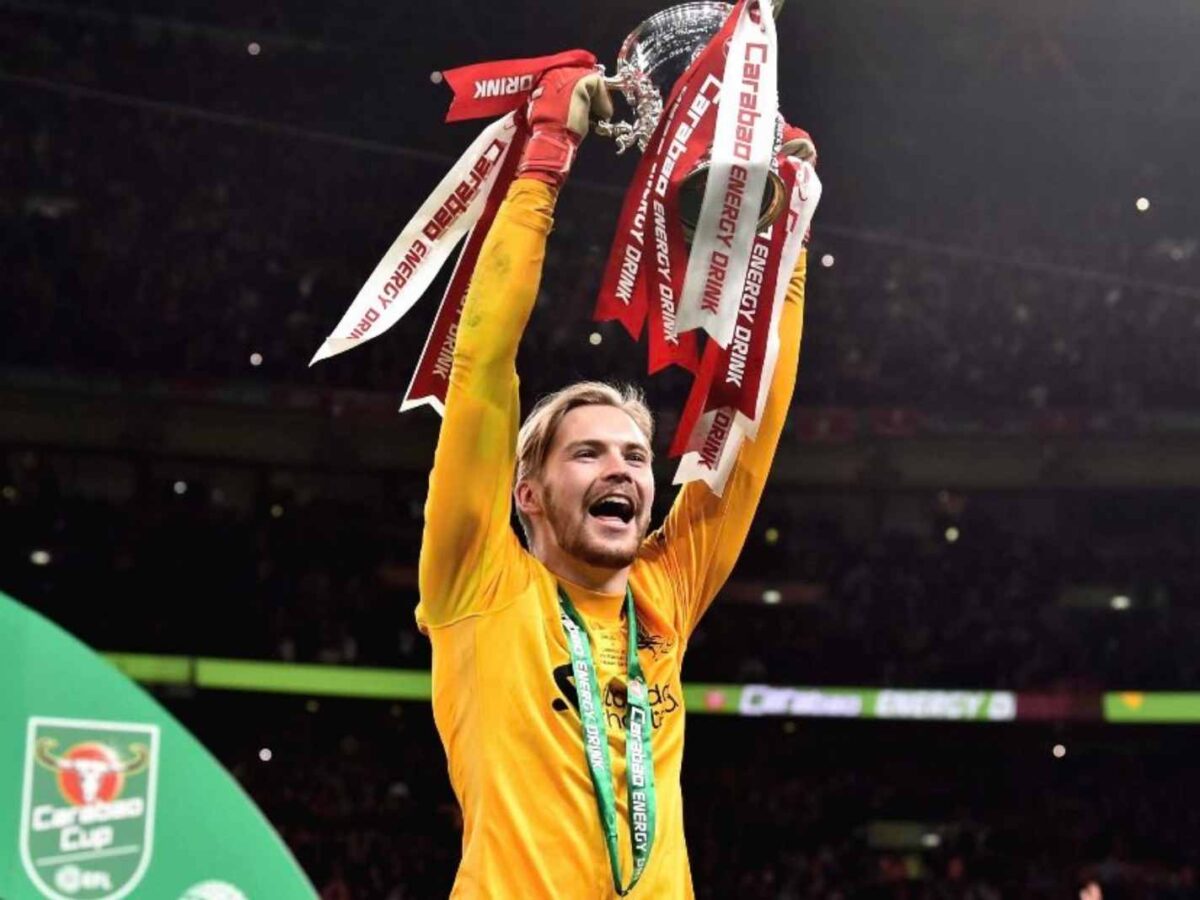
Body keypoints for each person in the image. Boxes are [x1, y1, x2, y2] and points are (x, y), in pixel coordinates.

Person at [417, 62, 815, 898]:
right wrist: (545, 160)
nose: (623, 471)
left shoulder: (666, 592)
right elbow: (482, 368)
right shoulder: (478, 584)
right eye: (588, 453)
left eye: (636, 455)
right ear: (526, 493)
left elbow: (752, 432)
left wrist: (787, 247)